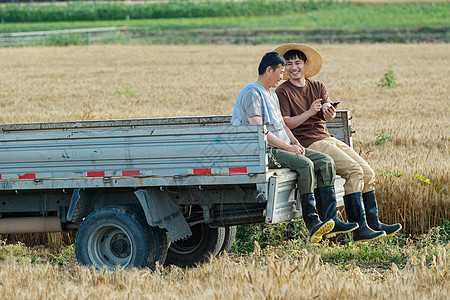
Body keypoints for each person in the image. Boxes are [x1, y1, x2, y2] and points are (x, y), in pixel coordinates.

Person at [273, 43, 402, 246]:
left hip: (327, 137)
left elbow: (327, 111)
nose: (293, 67)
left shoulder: (318, 86)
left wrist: (328, 112)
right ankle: (359, 229)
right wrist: (309, 112)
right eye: (288, 64)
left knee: (368, 173)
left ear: (306, 64)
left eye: (297, 62)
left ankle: (374, 223)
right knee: (354, 172)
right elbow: (286, 122)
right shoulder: (283, 92)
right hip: (309, 143)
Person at [231, 52, 359, 244]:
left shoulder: (271, 94)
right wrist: (287, 147)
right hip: (264, 150)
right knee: (305, 164)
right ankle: (312, 221)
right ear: (269, 70)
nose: (282, 77)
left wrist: (295, 142)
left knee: (325, 162)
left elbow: (281, 125)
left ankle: (331, 219)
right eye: (280, 72)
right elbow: (259, 132)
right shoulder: (252, 93)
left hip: (283, 146)